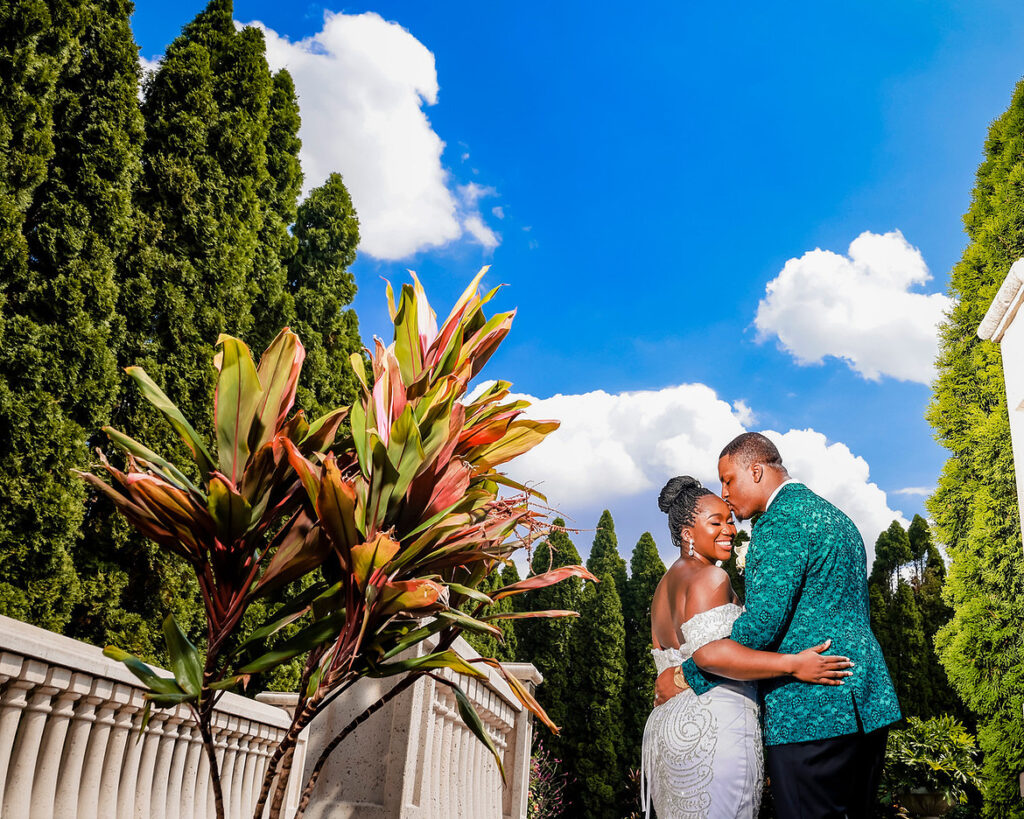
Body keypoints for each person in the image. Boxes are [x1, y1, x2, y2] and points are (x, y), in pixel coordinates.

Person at [659, 433, 901, 818]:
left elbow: (761, 627)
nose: (725, 493)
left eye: (728, 480)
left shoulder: (779, 523)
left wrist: (686, 675)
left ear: (756, 471)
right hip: (868, 703)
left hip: (811, 710)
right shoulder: (835, 517)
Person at [642, 475, 853, 819]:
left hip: (667, 728)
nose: (729, 530)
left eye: (729, 521)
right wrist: (793, 664)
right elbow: (711, 655)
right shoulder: (711, 577)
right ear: (687, 534)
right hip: (715, 727)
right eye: (716, 523)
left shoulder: (663, 587)